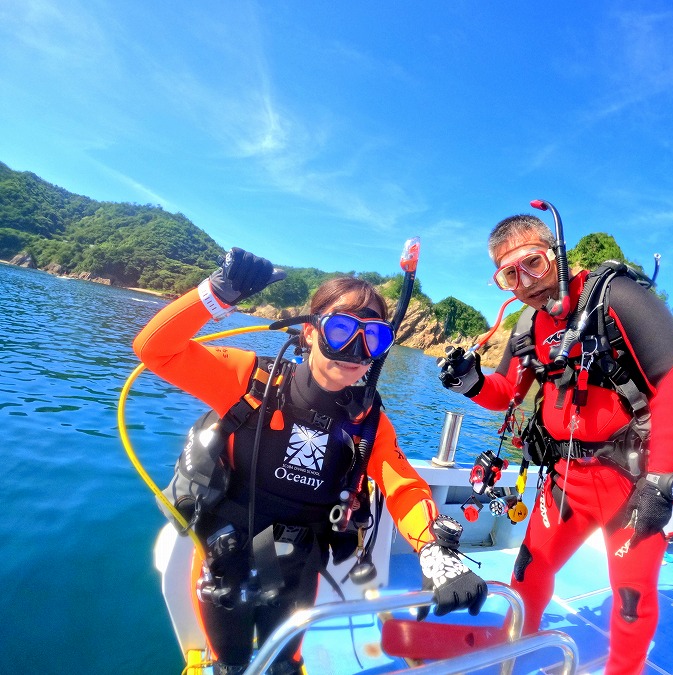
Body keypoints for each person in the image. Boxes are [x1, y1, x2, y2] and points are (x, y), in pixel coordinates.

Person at [135, 248, 487, 675]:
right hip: (223, 558)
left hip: (298, 567)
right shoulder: (251, 380)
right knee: (229, 665)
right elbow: (156, 350)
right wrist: (215, 293)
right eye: (340, 330)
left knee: (284, 666)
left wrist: (435, 553)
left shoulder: (369, 423)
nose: (354, 350)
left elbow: (404, 487)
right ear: (308, 332)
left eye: (372, 339)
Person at [438, 214, 673, 675]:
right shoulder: (526, 326)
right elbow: (505, 393)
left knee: (631, 598)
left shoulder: (619, 297)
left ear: (557, 252)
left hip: (631, 480)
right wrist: (471, 382)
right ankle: (512, 645)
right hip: (565, 479)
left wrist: (660, 482)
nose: (525, 282)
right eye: (509, 274)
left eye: (533, 263)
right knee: (528, 568)